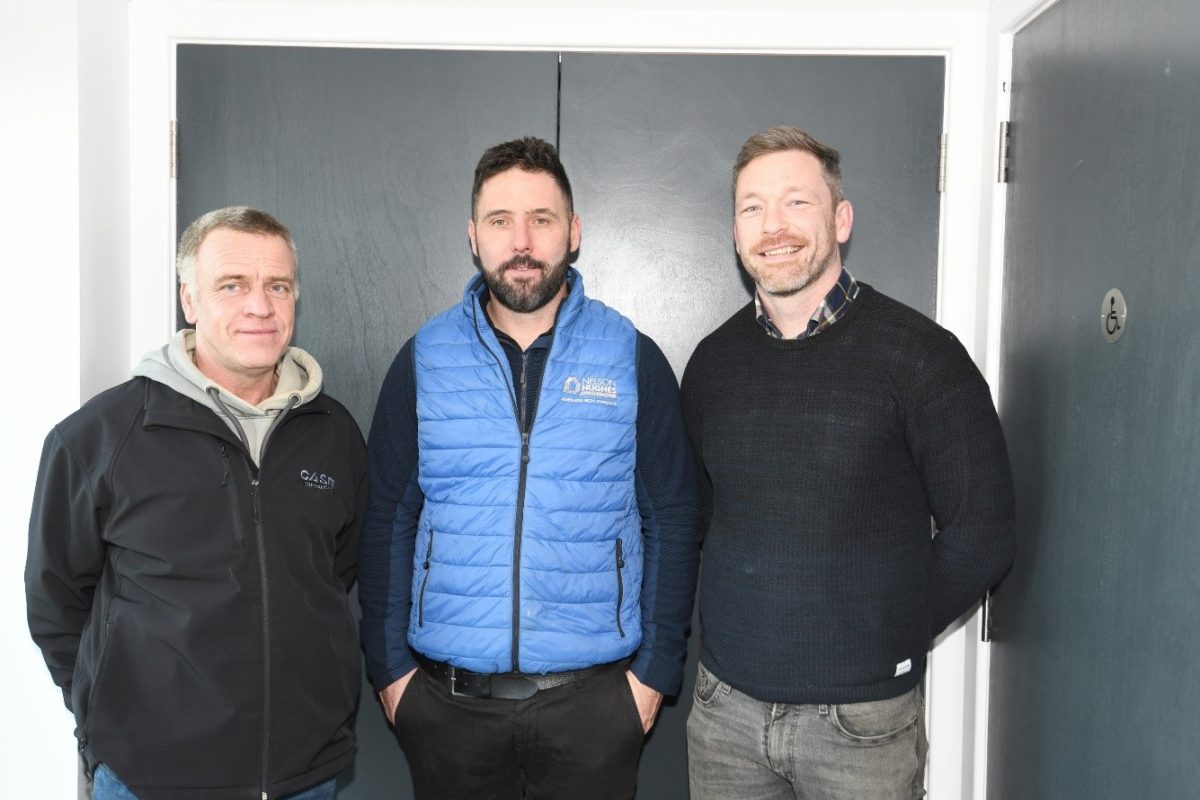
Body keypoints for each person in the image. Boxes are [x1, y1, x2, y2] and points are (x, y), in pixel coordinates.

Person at [358, 136, 701, 799]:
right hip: (447, 710)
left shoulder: (630, 357)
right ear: (473, 236)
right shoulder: (424, 359)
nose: (522, 241)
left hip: (596, 709)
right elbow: (387, 520)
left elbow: (674, 516)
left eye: (541, 220)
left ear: (572, 233)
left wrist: (653, 676)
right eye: (500, 221)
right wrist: (391, 675)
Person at [681, 126, 1016, 799]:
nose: (773, 226)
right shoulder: (711, 365)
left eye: (797, 203)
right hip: (725, 717)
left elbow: (983, 536)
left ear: (841, 218)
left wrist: (885, 632)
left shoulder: (923, 357)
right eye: (752, 208)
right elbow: (703, 518)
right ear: (735, 231)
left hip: (862, 727)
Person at [25, 207, 367, 800]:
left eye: (277, 286)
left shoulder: (334, 433)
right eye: (232, 285)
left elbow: (336, 574)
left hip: (304, 775)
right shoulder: (100, 438)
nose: (259, 306)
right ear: (190, 299)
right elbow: (56, 600)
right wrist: (111, 716)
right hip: (151, 779)